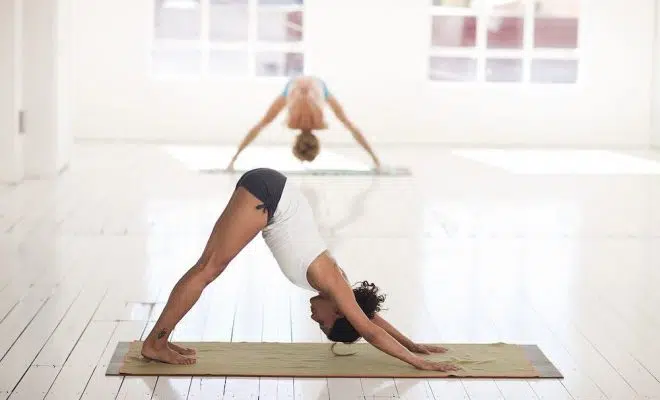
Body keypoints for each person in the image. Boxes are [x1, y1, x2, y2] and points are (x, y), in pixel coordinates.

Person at [140, 168, 460, 372]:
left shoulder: (339, 290)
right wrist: (417, 363)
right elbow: (368, 329)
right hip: (268, 195)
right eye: (322, 323)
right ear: (338, 312)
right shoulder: (332, 282)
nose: (313, 318)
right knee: (208, 269)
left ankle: (161, 341)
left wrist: (413, 344)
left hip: (271, 192)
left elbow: (368, 317)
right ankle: (155, 343)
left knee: (208, 269)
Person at [227, 76, 381, 170]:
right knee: (265, 122)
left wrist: (234, 158)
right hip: (298, 88)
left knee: (264, 122)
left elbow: (259, 127)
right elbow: (352, 128)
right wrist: (375, 159)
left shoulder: (319, 124)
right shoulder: (293, 123)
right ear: (295, 142)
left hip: (311, 88)